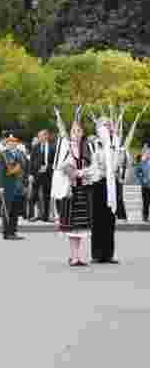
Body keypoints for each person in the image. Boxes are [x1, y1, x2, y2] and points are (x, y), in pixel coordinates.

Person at [56, 114, 92, 267]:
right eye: (74, 131)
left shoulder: (86, 148)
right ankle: (73, 256)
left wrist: (85, 172)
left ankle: (80, 256)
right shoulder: (66, 146)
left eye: (79, 131)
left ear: (82, 133)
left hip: (83, 188)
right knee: (71, 225)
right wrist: (73, 172)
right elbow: (61, 166)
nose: (76, 134)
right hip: (70, 190)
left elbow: (92, 165)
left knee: (81, 226)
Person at [89, 117, 118, 264]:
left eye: (108, 124)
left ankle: (109, 253)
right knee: (98, 219)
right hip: (98, 183)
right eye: (103, 125)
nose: (106, 127)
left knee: (110, 220)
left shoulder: (115, 143)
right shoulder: (94, 143)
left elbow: (119, 161)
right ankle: (97, 253)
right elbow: (92, 162)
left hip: (111, 184)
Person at [0, 130, 27, 240]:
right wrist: (0, 186)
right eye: (9, 141)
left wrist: (25, 183)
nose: (12, 143)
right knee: (6, 209)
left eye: (14, 141)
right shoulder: (2, 155)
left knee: (15, 211)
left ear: (17, 142)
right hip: (7, 185)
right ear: (6, 143)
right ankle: (7, 232)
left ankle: (13, 231)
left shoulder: (21, 153)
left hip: (19, 186)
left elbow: (25, 169)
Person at [135, 143, 150, 222]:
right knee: (146, 202)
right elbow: (137, 172)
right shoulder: (142, 162)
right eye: (146, 152)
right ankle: (145, 216)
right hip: (145, 185)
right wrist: (142, 180)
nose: (148, 154)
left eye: (149, 152)